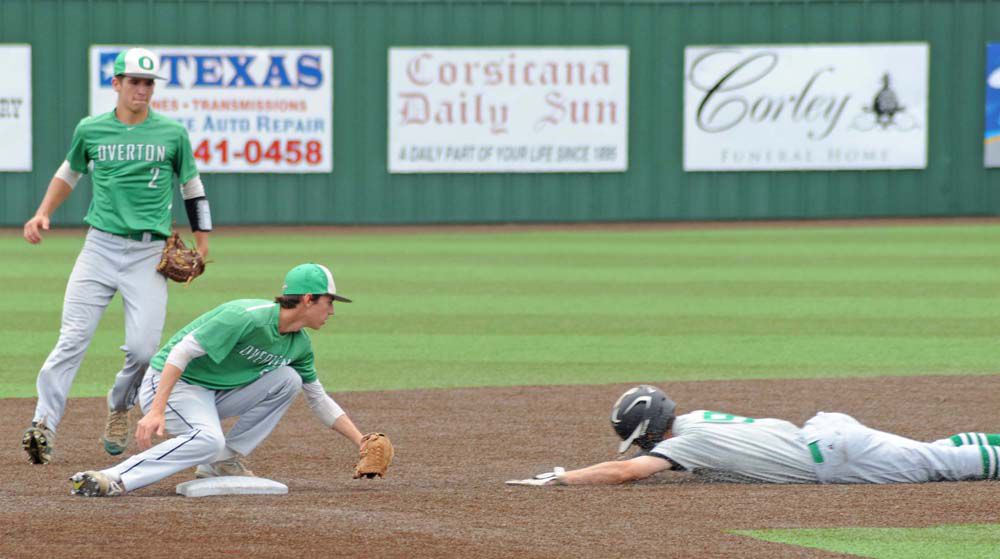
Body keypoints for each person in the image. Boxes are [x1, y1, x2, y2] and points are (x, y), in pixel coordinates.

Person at [21, 47, 212, 464]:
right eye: (134, 81)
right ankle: (43, 424)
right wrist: (42, 213)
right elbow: (69, 172)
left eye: (148, 82)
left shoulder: (172, 134)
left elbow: (192, 188)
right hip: (100, 247)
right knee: (72, 338)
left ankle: (119, 405)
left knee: (144, 350)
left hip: (148, 253)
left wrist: (203, 239)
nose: (142, 89)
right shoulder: (91, 129)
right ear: (117, 83)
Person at [69, 263, 371, 497]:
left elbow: (318, 397)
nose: (331, 311)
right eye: (328, 302)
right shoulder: (246, 316)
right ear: (308, 299)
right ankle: (114, 477)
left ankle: (222, 460)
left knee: (289, 379)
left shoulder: (299, 344)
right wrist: (157, 409)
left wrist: (362, 442)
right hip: (171, 382)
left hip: (210, 393)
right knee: (208, 438)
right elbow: (180, 352)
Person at [507, 385, 1000, 486]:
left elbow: (625, 471)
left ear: (652, 430)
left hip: (834, 455)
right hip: (827, 429)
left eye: (641, 438)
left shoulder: (684, 444)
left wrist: (561, 478)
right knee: (936, 451)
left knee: (944, 466)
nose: (643, 448)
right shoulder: (698, 419)